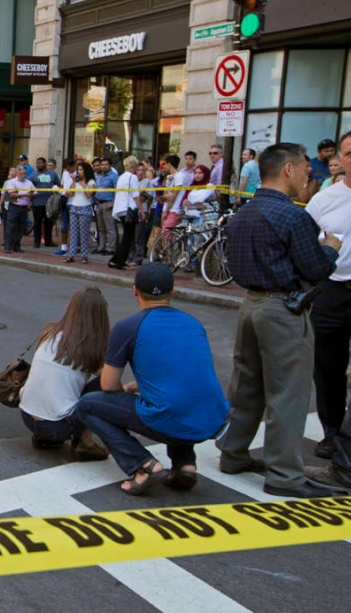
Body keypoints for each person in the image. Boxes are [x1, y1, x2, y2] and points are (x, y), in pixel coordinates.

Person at [218, 142, 343, 498]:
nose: (310, 173)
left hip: (251, 305)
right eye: (305, 166)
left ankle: (233, 452)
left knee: (246, 385)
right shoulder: (293, 216)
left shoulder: (243, 213)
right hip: (284, 308)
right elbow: (316, 268)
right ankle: (285, 475)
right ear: (288, 169)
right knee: (288, 391)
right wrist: (330, 249)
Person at [76, 263, 229, 495]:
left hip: (171, 417)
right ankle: (184, 465)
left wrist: (126, 390)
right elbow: (183, 374)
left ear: (135, 290)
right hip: (212, 418)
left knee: (88, 405)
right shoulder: (193, 324)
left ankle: (144, 466)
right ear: (173, 291)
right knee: (176, 398)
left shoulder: (128, 327)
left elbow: (108, 384)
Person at [305, 130, 351, 467]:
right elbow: (305, 244)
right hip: (333, 289)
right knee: (327, 368)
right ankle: (332, 432)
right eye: (350, 153)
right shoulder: (324, 199)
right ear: (339, 159)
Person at [20, 287, 111, 460]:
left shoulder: (51, 331)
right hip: (57, 426)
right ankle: (85, 442)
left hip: (26, 415)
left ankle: (44, 437)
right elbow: (109, 381)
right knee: (104, 386)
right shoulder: (89, 347)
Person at [110, 156, 143, 270]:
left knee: (125, 236)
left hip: (120, 209)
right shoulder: (133, 177)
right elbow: (136, 196)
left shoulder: (121, 177)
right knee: (127, 238)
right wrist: (142, 211)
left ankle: (115, 259)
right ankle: (120, 261)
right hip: (129, 209)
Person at [65, 161, 95, 264]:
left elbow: (89, 195)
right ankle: (71, 254)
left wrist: (83, 184)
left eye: (81, 170)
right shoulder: (76, 182)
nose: (79, 172)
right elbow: (69, 194)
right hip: (74, 207)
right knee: (73, 233)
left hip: (85, 208)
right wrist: (74, 182)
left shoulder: (91, 182)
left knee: (84, 234)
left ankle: (84, 255)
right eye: (78, 170)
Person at [28, 157, 59, 248]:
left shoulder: (52, 174)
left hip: (49, 203)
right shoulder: (33, 175)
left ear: (45, 164)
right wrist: (29, 201)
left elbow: (58, 184)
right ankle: (36, 241)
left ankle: (48, 241)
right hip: (37, 203)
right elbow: (29, 188)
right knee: (37, 223)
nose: (38, 165)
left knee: (49, 223)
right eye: (37, 163)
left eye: (40, 163)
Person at [2, 166, 31, 253]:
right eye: (21, 174)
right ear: (17, 174)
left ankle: (16, 245)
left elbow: (34, 192)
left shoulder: (29, 182)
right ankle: (8, 246)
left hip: (24, 207)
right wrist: (25, 194)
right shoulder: (11, 182)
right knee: (11, 227)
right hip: (14, 206)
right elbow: (11, 194)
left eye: (24, 174)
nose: (23, 175)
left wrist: (30, 197)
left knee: (21, 228)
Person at [93, 157, 118, 254]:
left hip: (108, 204)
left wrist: (113, 203)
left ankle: (111, 248)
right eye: (102, 165)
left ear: (110, 166)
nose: (103, 166)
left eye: (105, 164)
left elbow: (117, 191)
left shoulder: (114, 176)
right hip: (99, 203)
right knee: (100, 228)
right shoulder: (100, 176)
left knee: (110, 228)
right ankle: (101, 247)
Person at [53, 158, 75, 257]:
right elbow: (62, 185)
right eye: (66, 168)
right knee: (64, 225)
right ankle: (64, 247)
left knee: (74, 226)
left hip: (74, 202)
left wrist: (69, 191)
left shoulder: (78, 174)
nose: (68, 170)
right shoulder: (65, 173)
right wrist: (58, 189)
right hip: (64, 201)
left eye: (69, 167)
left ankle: (74, 247)